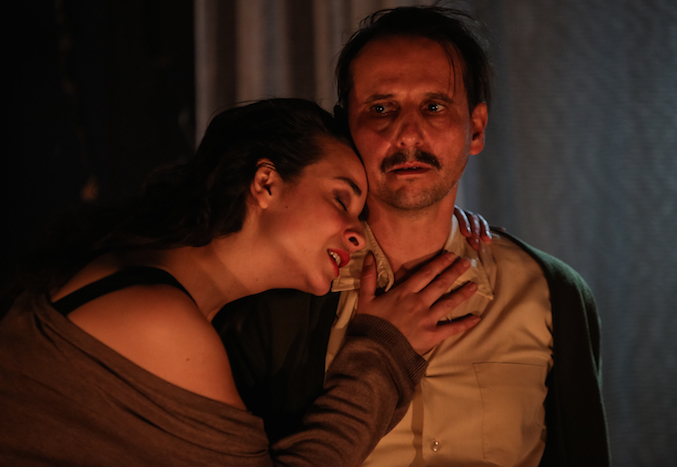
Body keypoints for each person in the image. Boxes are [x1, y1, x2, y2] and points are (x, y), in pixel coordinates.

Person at [216, 6, 611, 467]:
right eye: (381, 108)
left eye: (434, 107)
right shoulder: (282, 295)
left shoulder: (552, 294)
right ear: (346, 129)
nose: (407, 134)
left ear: (476, 128)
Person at [0, 98, 484, 466]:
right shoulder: (159, 319)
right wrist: (384, 351)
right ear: (265, 182)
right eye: (341, 200)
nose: (358, 235)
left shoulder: (155, 289)